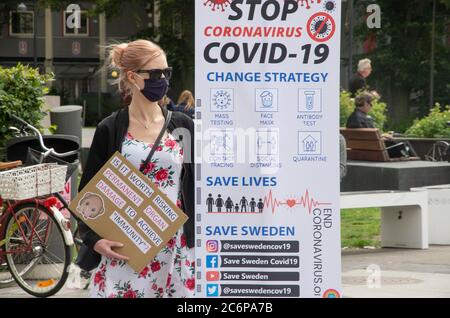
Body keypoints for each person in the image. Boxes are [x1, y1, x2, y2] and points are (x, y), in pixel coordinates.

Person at [76, 39, 195, 298]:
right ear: (132, 76)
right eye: (155, 73)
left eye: (166, 72)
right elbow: (87, 194)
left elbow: (195, 185)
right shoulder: (110, 128)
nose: (163, 79)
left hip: (174, 251)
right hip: (125, 250)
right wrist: (95, 240)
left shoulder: (183, 125)